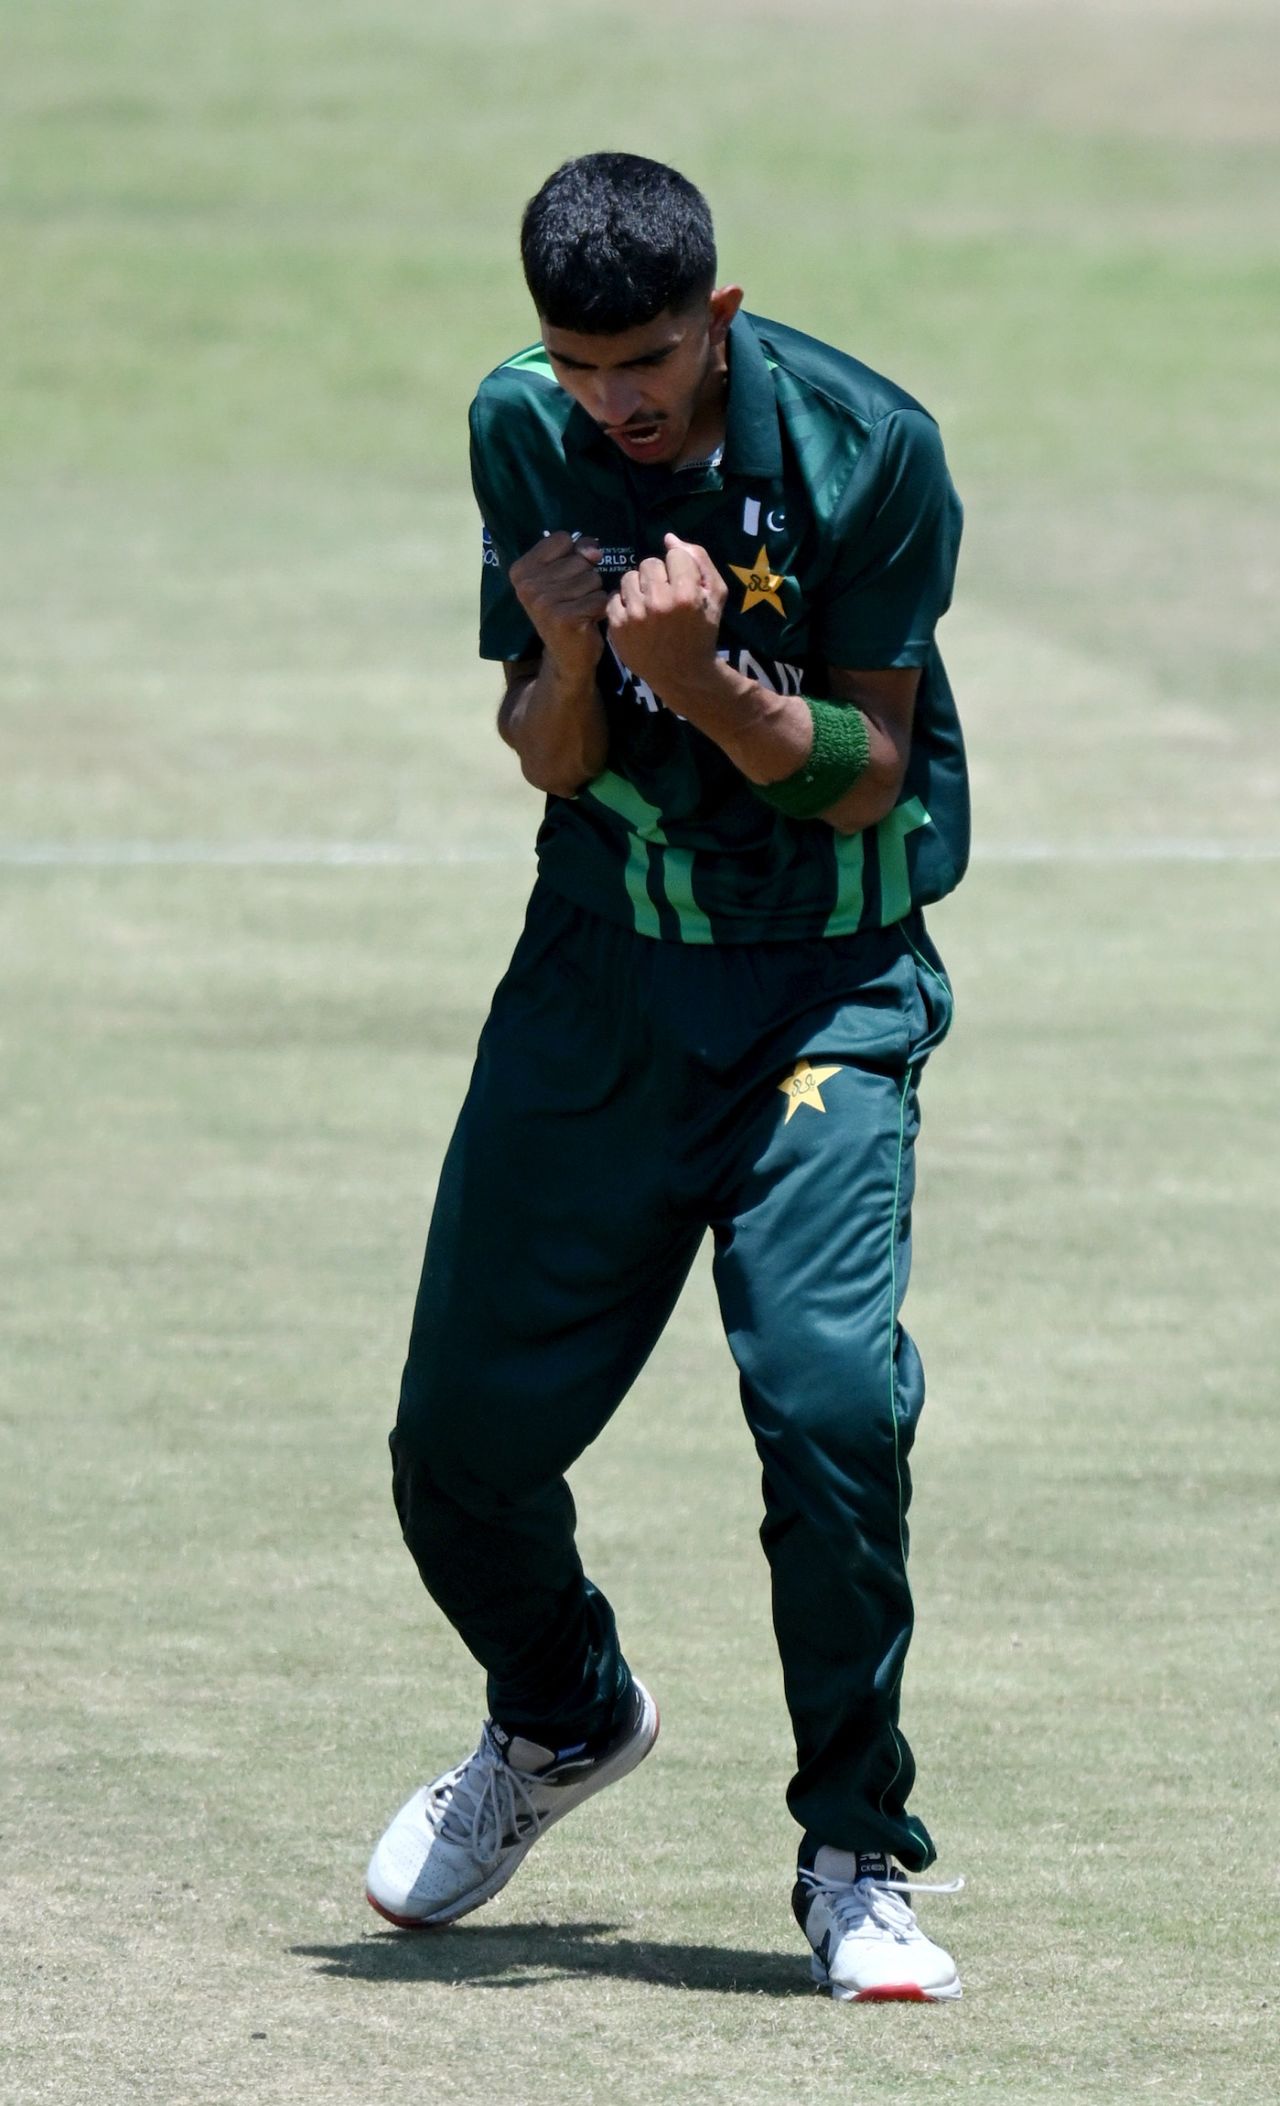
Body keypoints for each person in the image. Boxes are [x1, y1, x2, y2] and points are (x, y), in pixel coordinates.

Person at [366, 152, 969, 2003]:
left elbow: (868, 766)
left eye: (642, 361)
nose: (611, 404)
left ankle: (854, 1847)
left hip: (821, 996)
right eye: (577, 366)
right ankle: (559, 1719)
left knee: (829, 1407)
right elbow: (548, 760)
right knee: (456, 1452)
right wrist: (570, 654)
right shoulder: (522, 429)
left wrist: (702, 680)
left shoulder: (870, 447)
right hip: (603, 984)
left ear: (714, 318)